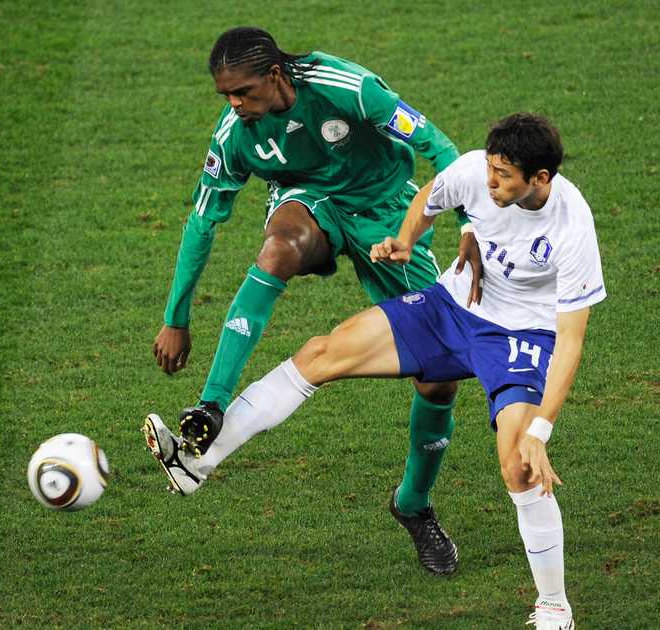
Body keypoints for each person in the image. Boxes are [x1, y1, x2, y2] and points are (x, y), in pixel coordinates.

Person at [146, 112, 604, 628]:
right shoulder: (476, 172)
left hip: (520, 337)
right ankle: (195, 464)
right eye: (490, 168)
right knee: (321, 353)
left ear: (540, 179)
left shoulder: (572, 224)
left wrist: (541, 429)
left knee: (520, 464)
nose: (490, 180)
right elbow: (431, 195)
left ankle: (554, 608)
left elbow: (570, 341)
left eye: (503, 175)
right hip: (448, 309)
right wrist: (409, 241)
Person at [149, 27, 481, 575]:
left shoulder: (350, 87)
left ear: (275, 76)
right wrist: (175, 318)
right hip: (311, 204)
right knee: (279, 247)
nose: (234, 105)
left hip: (387, 211)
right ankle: (211, 404)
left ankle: (414, 506)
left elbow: (440, 147)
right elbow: (202, 221)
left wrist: (469, 224)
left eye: (243, 93)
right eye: (225, 96)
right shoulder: (236, 133)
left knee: (439, 378)